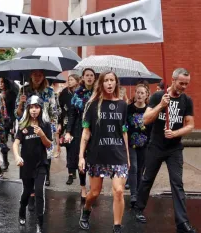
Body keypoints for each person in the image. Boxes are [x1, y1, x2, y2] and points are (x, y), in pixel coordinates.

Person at [135, 68, 197, 233]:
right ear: (173, 80)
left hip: (174, 149)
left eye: (186, 84)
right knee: (147, 179)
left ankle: (182, 223)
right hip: (155, 146)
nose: (184, 86)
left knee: (177, 184)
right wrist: (161, 105)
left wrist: (176, 133)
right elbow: (146, 119)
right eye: (181, 83)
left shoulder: (187, 101)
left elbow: (191, 125)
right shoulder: (158, 96)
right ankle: (139, 208)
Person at [78, 71, 129, 233]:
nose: (109, 83)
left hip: (118, 154)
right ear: (101, 83)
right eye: (106, 80)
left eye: (112, 80)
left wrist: (127, 156)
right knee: (94, 192)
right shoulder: (92, 105)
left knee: (119, 191)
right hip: (97, 155)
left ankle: (117, 226)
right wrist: (81, 156)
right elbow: (86, 133)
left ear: (116, 83)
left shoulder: (122, 105)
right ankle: (86, 210)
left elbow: (124, 132)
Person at [15, 70, 59, 210]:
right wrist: (21, 104)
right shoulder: (23, 90)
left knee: (46, 152)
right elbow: (17, 115)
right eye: (35, 75)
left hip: (45, 127)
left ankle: (45, 174)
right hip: (28, 128)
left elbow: (54, 112)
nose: (38, 77)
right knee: (29, 156)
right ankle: (31, 193)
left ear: (44, 76)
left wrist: (52, 128)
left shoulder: (49, 91)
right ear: (31, 76)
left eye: (40, 75)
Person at [13, 95, 52, 233]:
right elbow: (16, 143)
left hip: (41, 164)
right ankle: (22, 210)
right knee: (27, 192)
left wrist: (41, 134)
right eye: (31, 107)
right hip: (26, 165)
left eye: (37, 107)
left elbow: (48, 145)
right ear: (28, 109)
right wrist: (17, 156)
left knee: (40, 192)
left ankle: (40, 222)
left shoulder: (45, 125)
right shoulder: (23, 125)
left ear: (41, 109)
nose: (34, 110)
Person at [65, 68, 96, 198]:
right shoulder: (77, 93)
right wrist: (68, 132)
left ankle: (93, 186)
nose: (89, 77)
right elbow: (72, 114)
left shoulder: (99, 92)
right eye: (87, 75)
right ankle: (83, 187)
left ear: (94, 78)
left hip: (95, 128)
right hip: (80, 127)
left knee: (94, 158)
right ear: (83, 78)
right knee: (81, 157)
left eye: (91, 75)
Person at [127, 83, 150, 207]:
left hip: (145, 144)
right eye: (138, 92)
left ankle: (139, 193)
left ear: (146, 95)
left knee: (141, 169)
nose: (140, 95)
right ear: (134, 93)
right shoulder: (128, 108)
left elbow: (152, 127)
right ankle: (133, 194)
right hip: (131, 143)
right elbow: (124, 125)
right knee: (133, 167)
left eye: (142, 93)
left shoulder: (149, 110)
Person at [58, 74, 81, 185]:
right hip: (66, 121)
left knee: (77, 148)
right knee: (69, 147)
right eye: (69, 80)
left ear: (77, 81)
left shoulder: (81, 93)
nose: (70, 82)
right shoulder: (64, 93)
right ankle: (70, 173)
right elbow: (60, 107)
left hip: (78, 124)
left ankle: (77, 168)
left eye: (72, 80)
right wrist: (60, 123)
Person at [0, 77, 17, 171]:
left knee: (3, 141)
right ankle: (4, 161)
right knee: (1, 142)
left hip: (7, 121)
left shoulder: (11, 94)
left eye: (2, 82)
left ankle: (5, 162)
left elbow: (13, 109)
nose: (0, 84)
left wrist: (11, 121)